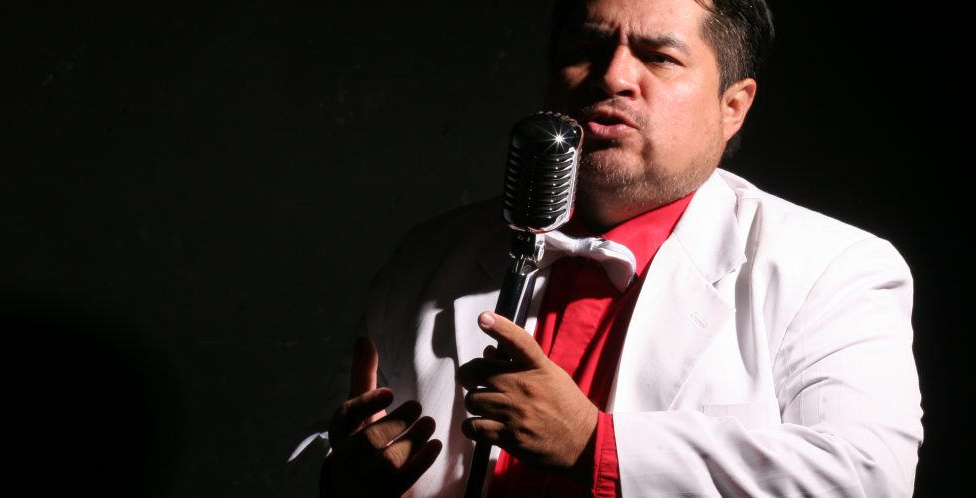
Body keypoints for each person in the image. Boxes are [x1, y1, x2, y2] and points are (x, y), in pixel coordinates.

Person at [284, 0, 924, 496]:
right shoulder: (427, 258)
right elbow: (318, 443)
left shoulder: (834, 268)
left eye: (659, 57)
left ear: (733, 106)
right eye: (587, 49)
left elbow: (868, 477)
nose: (612, 76)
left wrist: (599, 446)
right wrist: (342, 480)